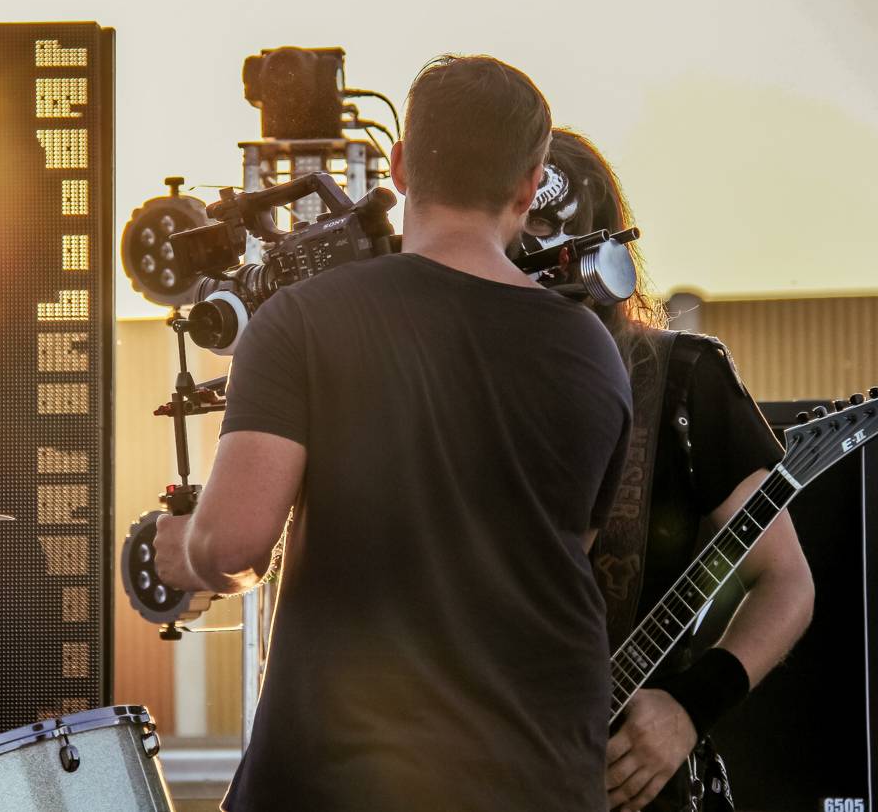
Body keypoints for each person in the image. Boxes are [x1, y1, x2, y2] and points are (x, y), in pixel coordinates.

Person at [153, 56, 633, 810]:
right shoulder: (591, 349)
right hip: (538, 778)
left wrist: (177, 547)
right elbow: (567, 550)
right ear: (527, 183)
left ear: (403, 165)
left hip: (342, 780)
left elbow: (234, 549)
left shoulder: (304, 321)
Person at [521, 130, 816, 811]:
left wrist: (688, 709)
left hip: (626, 783)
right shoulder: (448, 380)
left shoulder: (681, 377)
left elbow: (784, 579)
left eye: (547, 234)